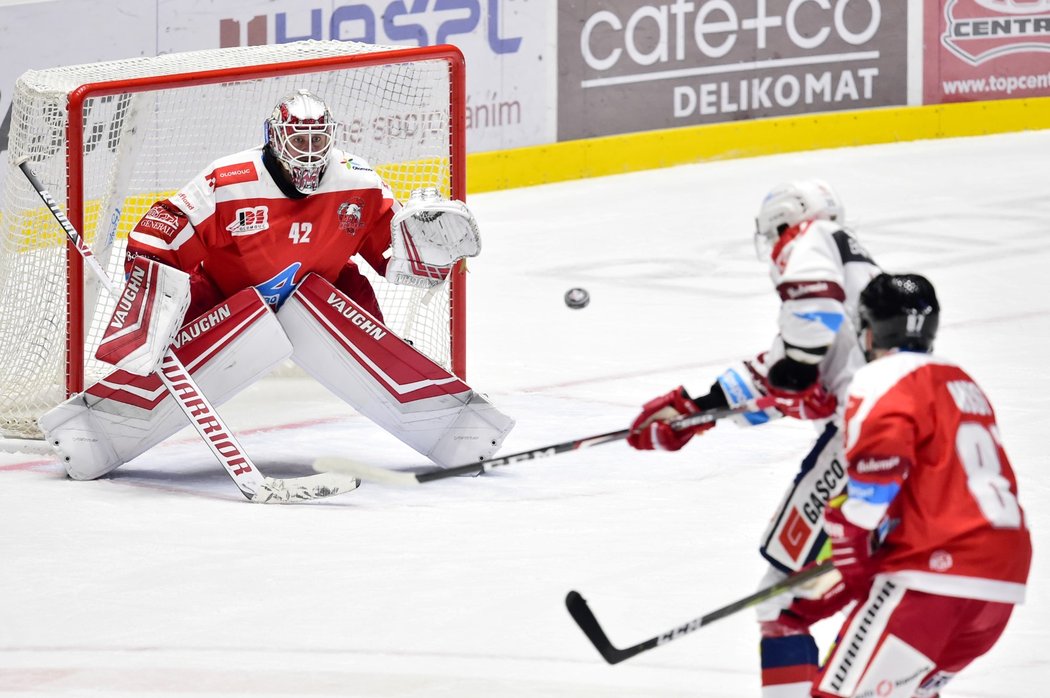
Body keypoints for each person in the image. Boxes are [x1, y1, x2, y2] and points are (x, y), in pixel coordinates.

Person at [39, 89, 514, 484]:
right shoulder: (229, 182)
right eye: (298, 139)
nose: (309, 152)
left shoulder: (359, 181)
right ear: (273, 138)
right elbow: (162, 231)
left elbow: (391, 253)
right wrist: (149, 298)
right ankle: (92, 429)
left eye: (317, 139)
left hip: (321, 292)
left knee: (352, 291)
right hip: (228, 296)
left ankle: (438, 409)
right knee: (164, 340)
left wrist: (427, 252)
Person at [626, 179, 881, 696]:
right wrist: (697, 410)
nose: (777, 243)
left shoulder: (813, 237)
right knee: (884, 592)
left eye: (777, 231)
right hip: (897, 433)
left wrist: (797, 368)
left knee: (781, 602)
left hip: (857, 438)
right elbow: (783, 375)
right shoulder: (859, 272)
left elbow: (801, 349)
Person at [785, 273, 1030, 697]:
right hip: (1002, 581)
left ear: (869, 329)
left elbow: (876, 484)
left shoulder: (881, 378)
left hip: (932, 576)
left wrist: (850, 534)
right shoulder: (961, 381)